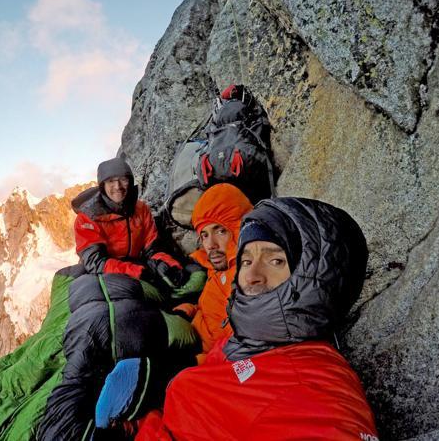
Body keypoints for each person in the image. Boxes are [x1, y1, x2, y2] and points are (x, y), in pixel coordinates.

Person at [136, 197, 379, 440]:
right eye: (247, 261)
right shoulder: (251, 338)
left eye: (276, 261)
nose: (251, 275)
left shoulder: (310, 383)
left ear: (310, 276)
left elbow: (329, 421)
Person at [71, 157, 184, 286]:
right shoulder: (87, 218)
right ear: (102, 186)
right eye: (110, 181)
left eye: (123, 179)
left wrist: (167, 265)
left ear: (130, 182)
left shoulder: (141, 209)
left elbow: (153, 248)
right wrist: (137, 272)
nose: (118, 186)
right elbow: (95, 262)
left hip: (136, 267)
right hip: (104, 275)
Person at [173, 183, 253, 363]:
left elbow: (242, 349)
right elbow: (208, 308)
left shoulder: (251, 275)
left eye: (221, 230)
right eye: (205, 235)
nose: (210, 245)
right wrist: (186, 311)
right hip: (193, 339)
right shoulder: (215, 270)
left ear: (239, 229)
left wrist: (196, 363)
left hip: (209, 363)